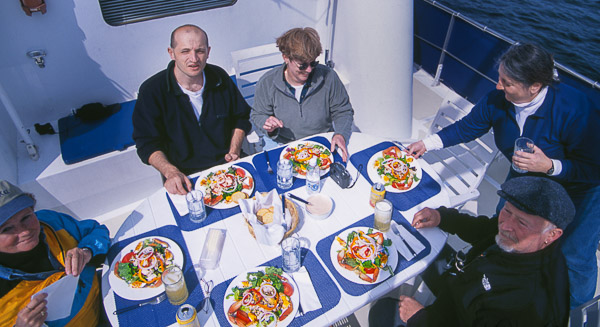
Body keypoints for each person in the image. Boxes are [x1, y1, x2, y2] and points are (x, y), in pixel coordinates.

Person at [407, 42, 600, 308]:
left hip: (581, 187)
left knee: (574, 254)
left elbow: (593, 168)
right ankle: (495, 273)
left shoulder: (575, 110)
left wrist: (551, 166)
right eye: (500, 78)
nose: (498, 85)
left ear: (534, 86)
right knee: (501, 226)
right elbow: (469, 126)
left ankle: (575, 309)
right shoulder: (499, 99)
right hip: (524, 175)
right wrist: (428, 144)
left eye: (506, 82)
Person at [368, 176, 575, 326]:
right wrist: (443, 217)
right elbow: (485, 229)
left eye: (521, 222)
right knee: (420, 245)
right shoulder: (526, 240)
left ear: (552, 235)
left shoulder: (524, 306)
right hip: (465, 282)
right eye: (507, 211)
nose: (506, 226)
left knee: (382, 312)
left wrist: (420, 318)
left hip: (456, 316)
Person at [133, 24, 252, 195]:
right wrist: (170, 172)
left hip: (228, 166)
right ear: (171, 53)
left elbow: (240, 118)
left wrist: (234, 151)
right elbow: (146, 143)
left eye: (200, 51)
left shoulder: (219, 77)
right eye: (185, 51)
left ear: (208, 51)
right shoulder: (152, 91)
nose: (194, 58)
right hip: (186, 176)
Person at [0, 180, 110, 327]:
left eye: (26, 217)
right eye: (6, 229)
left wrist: (87, 250)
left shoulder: (50, 221)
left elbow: (96, 231)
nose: (25, 231)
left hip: (105, 296)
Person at [250, 27, 354, 161]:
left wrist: (340, 134)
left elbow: (343, 110)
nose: (309, 70)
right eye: (302, 65)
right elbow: (258, 114)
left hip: (321, 141)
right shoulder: (267, 82)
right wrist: (268, 126)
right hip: (281, 143)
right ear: (286, 57)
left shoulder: (329, 77)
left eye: (313, 63)